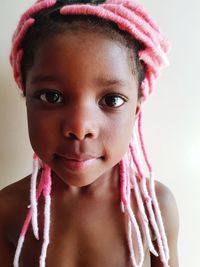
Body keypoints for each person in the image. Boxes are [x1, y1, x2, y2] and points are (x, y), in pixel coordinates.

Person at [0, 0, 179, 266]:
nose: (80, 127)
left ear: (136, 110)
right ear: (26, 97)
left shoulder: (153, 209)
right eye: (52, 96)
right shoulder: (8, 209)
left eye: (112, 100)